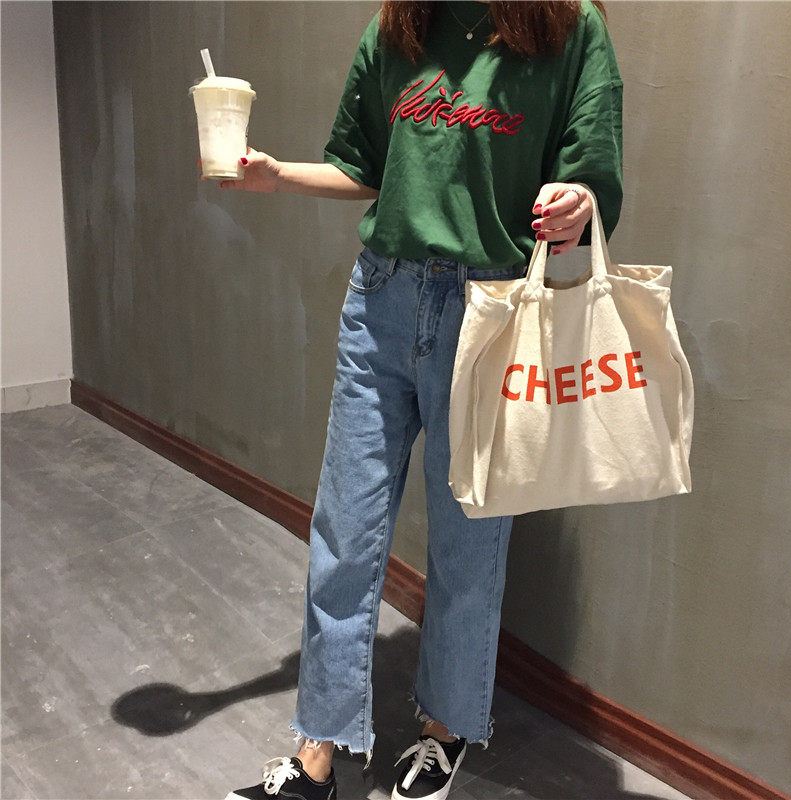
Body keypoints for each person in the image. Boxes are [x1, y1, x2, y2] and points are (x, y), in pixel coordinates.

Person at [214, 1, 623, 798]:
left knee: (470, 539)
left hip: (492, 310)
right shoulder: (398, 27)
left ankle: (444, 728)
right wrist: (276, 175)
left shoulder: (569, 26)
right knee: (344, 529)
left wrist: (577, 204)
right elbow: (366, 166)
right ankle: (318, 751)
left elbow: (593, 179)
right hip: (381, 300)